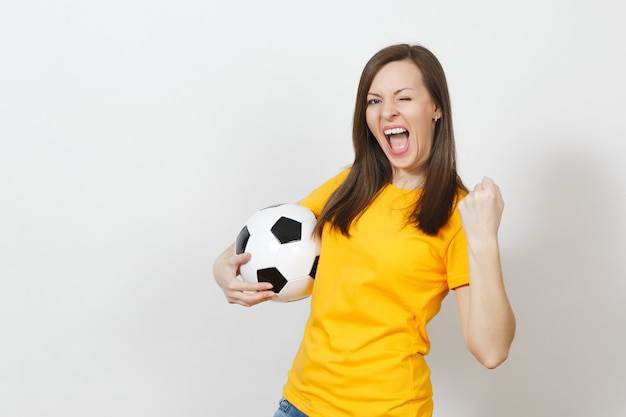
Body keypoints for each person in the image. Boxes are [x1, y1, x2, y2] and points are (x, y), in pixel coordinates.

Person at [213, 43, 516, 417]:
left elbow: (491, 351)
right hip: (300, 405)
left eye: (403, 97)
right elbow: (256, 241)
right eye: (374, 101)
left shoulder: (456, 213)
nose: (387, 110)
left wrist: (484, 240)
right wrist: (222, 271)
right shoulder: (350, 184)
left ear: (435, 107)